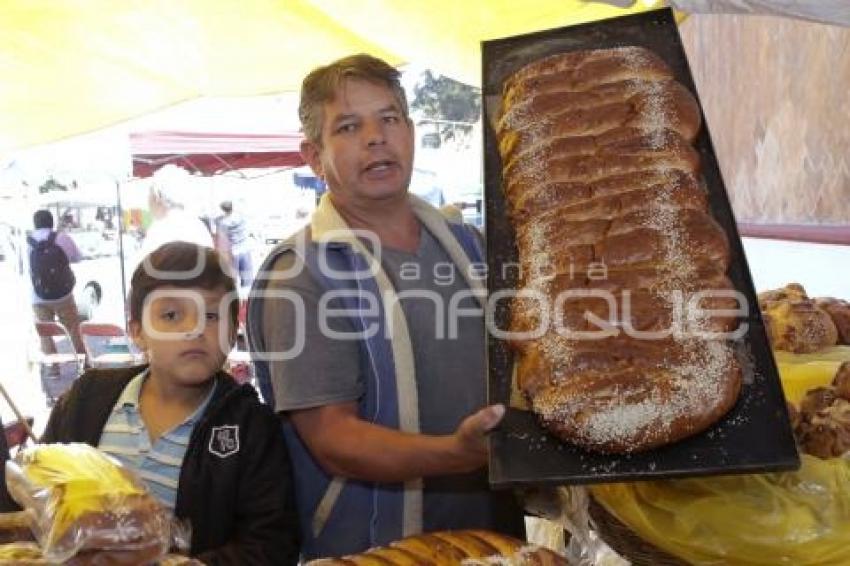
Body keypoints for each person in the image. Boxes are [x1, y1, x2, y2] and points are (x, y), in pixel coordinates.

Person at [248, 54, 524, 560]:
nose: (376, 138)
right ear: (313, 156)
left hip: (493, 538)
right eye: (349, 126)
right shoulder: (302, 273)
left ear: (411, 131)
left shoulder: (468, 246)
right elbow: (332, 437)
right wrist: (454, 454)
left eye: (389, 119)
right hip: (372, 548)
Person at [42, 242, 300, 564]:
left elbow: (272, 542)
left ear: (233, 331)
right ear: (137, 331)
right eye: (171, 315)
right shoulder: (86, 401)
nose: (194, 329)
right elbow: (37, 493)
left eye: (210, 315)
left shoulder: (252, 427)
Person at [27, 209, 85, 355]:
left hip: (38, 296)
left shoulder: (27, 242)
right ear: (51, 222)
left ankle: (53, 370)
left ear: (35, 224)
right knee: (73, 329)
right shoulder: (62, 238)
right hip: (63, 295)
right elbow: (77, 258)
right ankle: (83, 364)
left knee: (45, 334)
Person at [139, 165, 214, 260]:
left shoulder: (161, 228)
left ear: (158, 197)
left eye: (150, 194)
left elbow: (146, 269)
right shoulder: (197, 225)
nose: (148, 200)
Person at [215, 200, 254, 289]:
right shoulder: (241, 217)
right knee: (247, 280)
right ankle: (247, 298)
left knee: (232, 280)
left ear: (222, 209)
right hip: (245, 250)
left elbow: (222, 239)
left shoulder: (222, 222)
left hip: (233, 252)